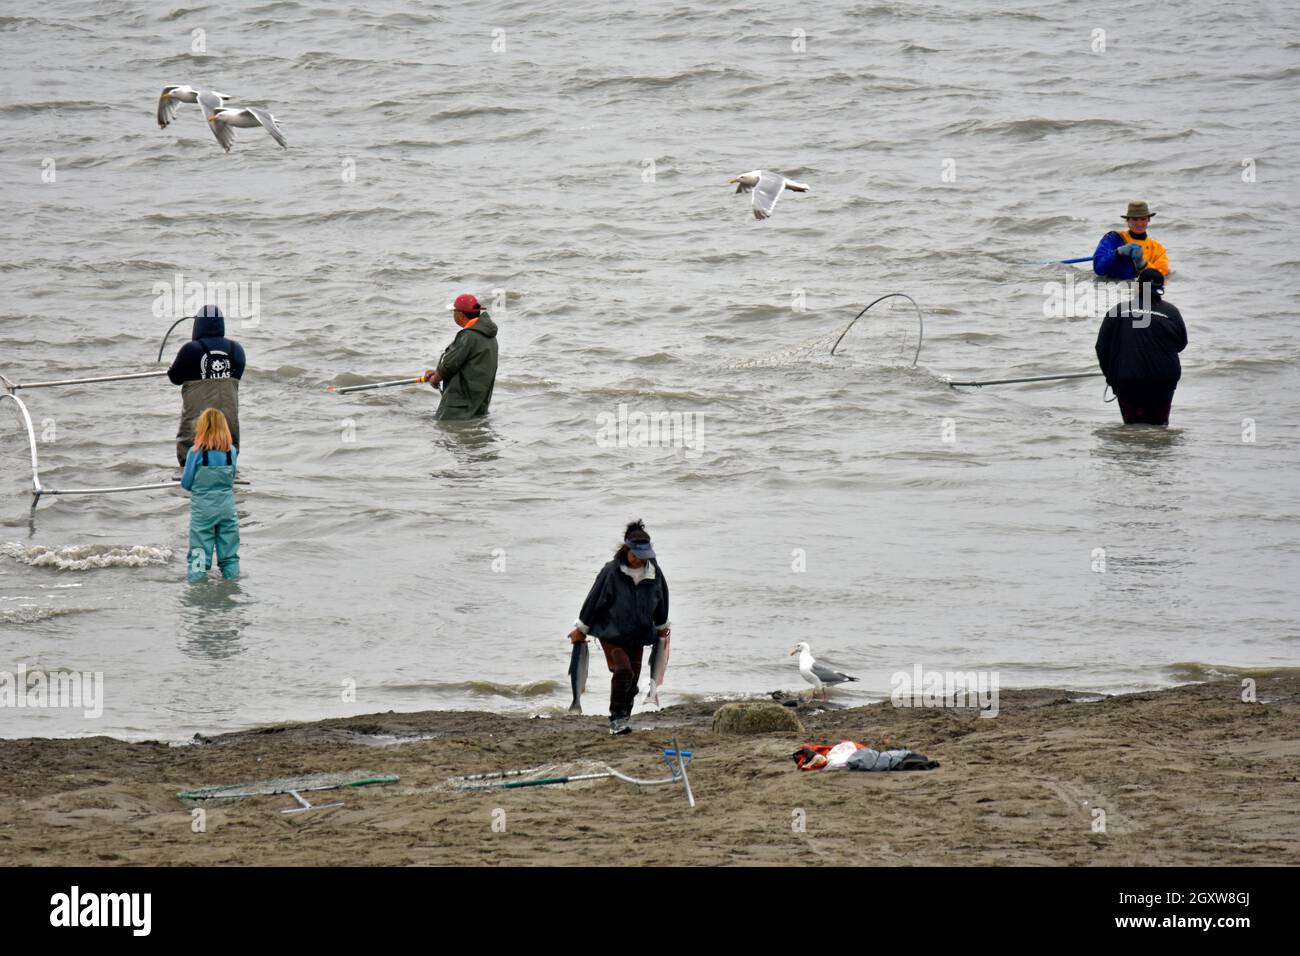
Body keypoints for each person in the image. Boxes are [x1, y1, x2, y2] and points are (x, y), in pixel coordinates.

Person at [568, 520, 671, 736]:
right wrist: (581, 628)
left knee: (633, 681)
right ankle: (615, 718)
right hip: (611, 632)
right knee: (623, 671)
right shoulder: (611, 571)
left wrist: (661, 626)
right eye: (635, 555)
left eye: (643, 556)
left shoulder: (654, 573)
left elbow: (662, 601)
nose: (639, 560)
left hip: (639, 634)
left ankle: (624, 718)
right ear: (626, 549)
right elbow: (594, 600)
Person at [1095, 268, 1187, 426]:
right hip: (1163, 381)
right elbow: (1181, 344)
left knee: (1133, 430)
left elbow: (1101, 348)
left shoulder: (1118, 310)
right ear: (1161, 288)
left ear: (1138, 287)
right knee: (1159, 429)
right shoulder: (1171, 311)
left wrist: (1111, 378)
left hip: (1127, 381)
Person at [167, 305, 245, 466]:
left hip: (197, 424)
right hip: (228, 424)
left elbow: (174, 378)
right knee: (228, 457)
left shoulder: (190, 350)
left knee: (190, 457)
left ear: (198, 325)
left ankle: (190, 483)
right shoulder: (237, 349)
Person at [181, 407, 240, 582]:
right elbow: (232, 478)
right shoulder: (231, 452)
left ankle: (197, 590)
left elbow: (187, 483)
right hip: (227, 509)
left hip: (204, 511)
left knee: (199, 554)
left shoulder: (195, 452)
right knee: (229, 555)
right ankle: (232, 586)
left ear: (202, 427)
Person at [424, 293, 498, 421]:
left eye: (453, 312)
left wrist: (435, 379)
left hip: (459, 406)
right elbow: (467, 365)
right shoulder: (489, 336)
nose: (453, 315)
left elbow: (449, 366)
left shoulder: (468, 336)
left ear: (460, 314)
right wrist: (438, 373)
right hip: (479, 404)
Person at [1092, 201, 1170, 280]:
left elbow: (1161, 277)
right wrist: (1116, 253)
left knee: (1146, 291)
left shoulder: (1158, 249)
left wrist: (1142, 264)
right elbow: (1099, 269)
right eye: (1135, 219)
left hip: (1142, 289)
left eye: (1143, 219)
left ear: (1148, 219)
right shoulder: (1113, 238)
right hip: (1113, 288)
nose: (1139, 224)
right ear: (1127, 220)